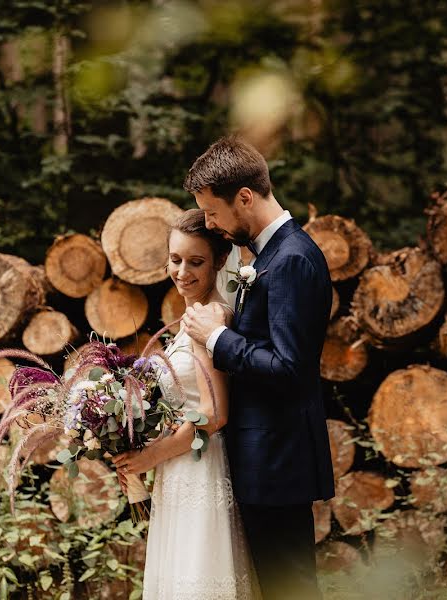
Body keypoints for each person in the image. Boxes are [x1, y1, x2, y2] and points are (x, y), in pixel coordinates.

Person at [181, 136, 335, 600]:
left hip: (278, 463)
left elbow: (291, 368)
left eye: (212, 211)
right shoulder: (267, 256)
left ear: (244, 197)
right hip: (264, 462)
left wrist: (217, 338)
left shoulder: (291, 260)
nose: (209, 223)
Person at [113, 208, 260, 599]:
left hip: (199, 466)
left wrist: (150, 456)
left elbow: (216, 413)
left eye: (195, 262)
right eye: (175, 260)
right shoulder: (191, 319)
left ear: (219, 262)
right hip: (178, 469)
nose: (182, 272)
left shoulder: (208, 319)